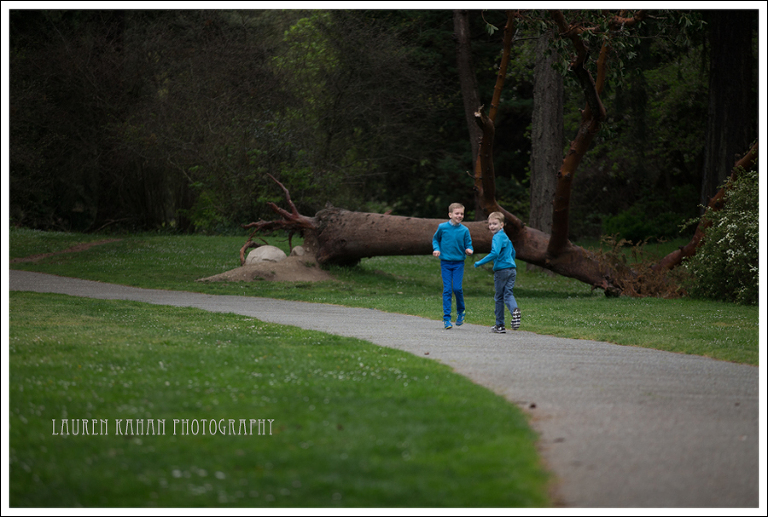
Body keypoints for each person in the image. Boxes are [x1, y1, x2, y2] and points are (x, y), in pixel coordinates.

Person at [473, 211, 520, 333]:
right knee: (508, 294)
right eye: (490, 224)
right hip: (511, 270)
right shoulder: (505, 237)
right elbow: (513, 252)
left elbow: (495, 253)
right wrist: (510, 262)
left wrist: (479, 262)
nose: (492, 226)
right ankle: (514, 310)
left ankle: (500, 325)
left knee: (499, 297)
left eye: (495, 223)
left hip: (501, 271)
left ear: (502, 225)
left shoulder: (497, 237)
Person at [432, 203, 474, 329]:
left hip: (458, 263)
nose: (459, 216)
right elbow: (436, 240)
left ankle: (461, 311)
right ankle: (446, 319)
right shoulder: (442, 227)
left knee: (457, 288)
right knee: (447, 290)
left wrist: (469, 250)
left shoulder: (464, 230)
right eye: (457, 213)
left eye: (461, 213)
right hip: (445, 262)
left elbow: (469, 244)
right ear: (450, 214)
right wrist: (436, 249)